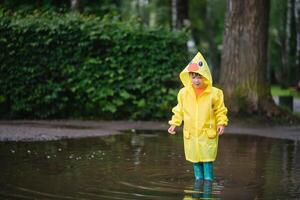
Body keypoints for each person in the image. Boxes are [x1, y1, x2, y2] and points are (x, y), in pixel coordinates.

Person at [168, 52, 228, 181]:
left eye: (199, 77)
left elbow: (220, 110)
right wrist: (174, 123)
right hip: (191, 133)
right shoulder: (183, 93)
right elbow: (179, 110)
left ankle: (208, 187)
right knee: (195, 159)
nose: (196, 80)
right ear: (189, 77)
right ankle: (198, 183)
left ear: (205, 76)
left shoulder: (215, 93)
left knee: (207, 159)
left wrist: (221, 123)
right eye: (194, 77)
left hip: (207, 133)